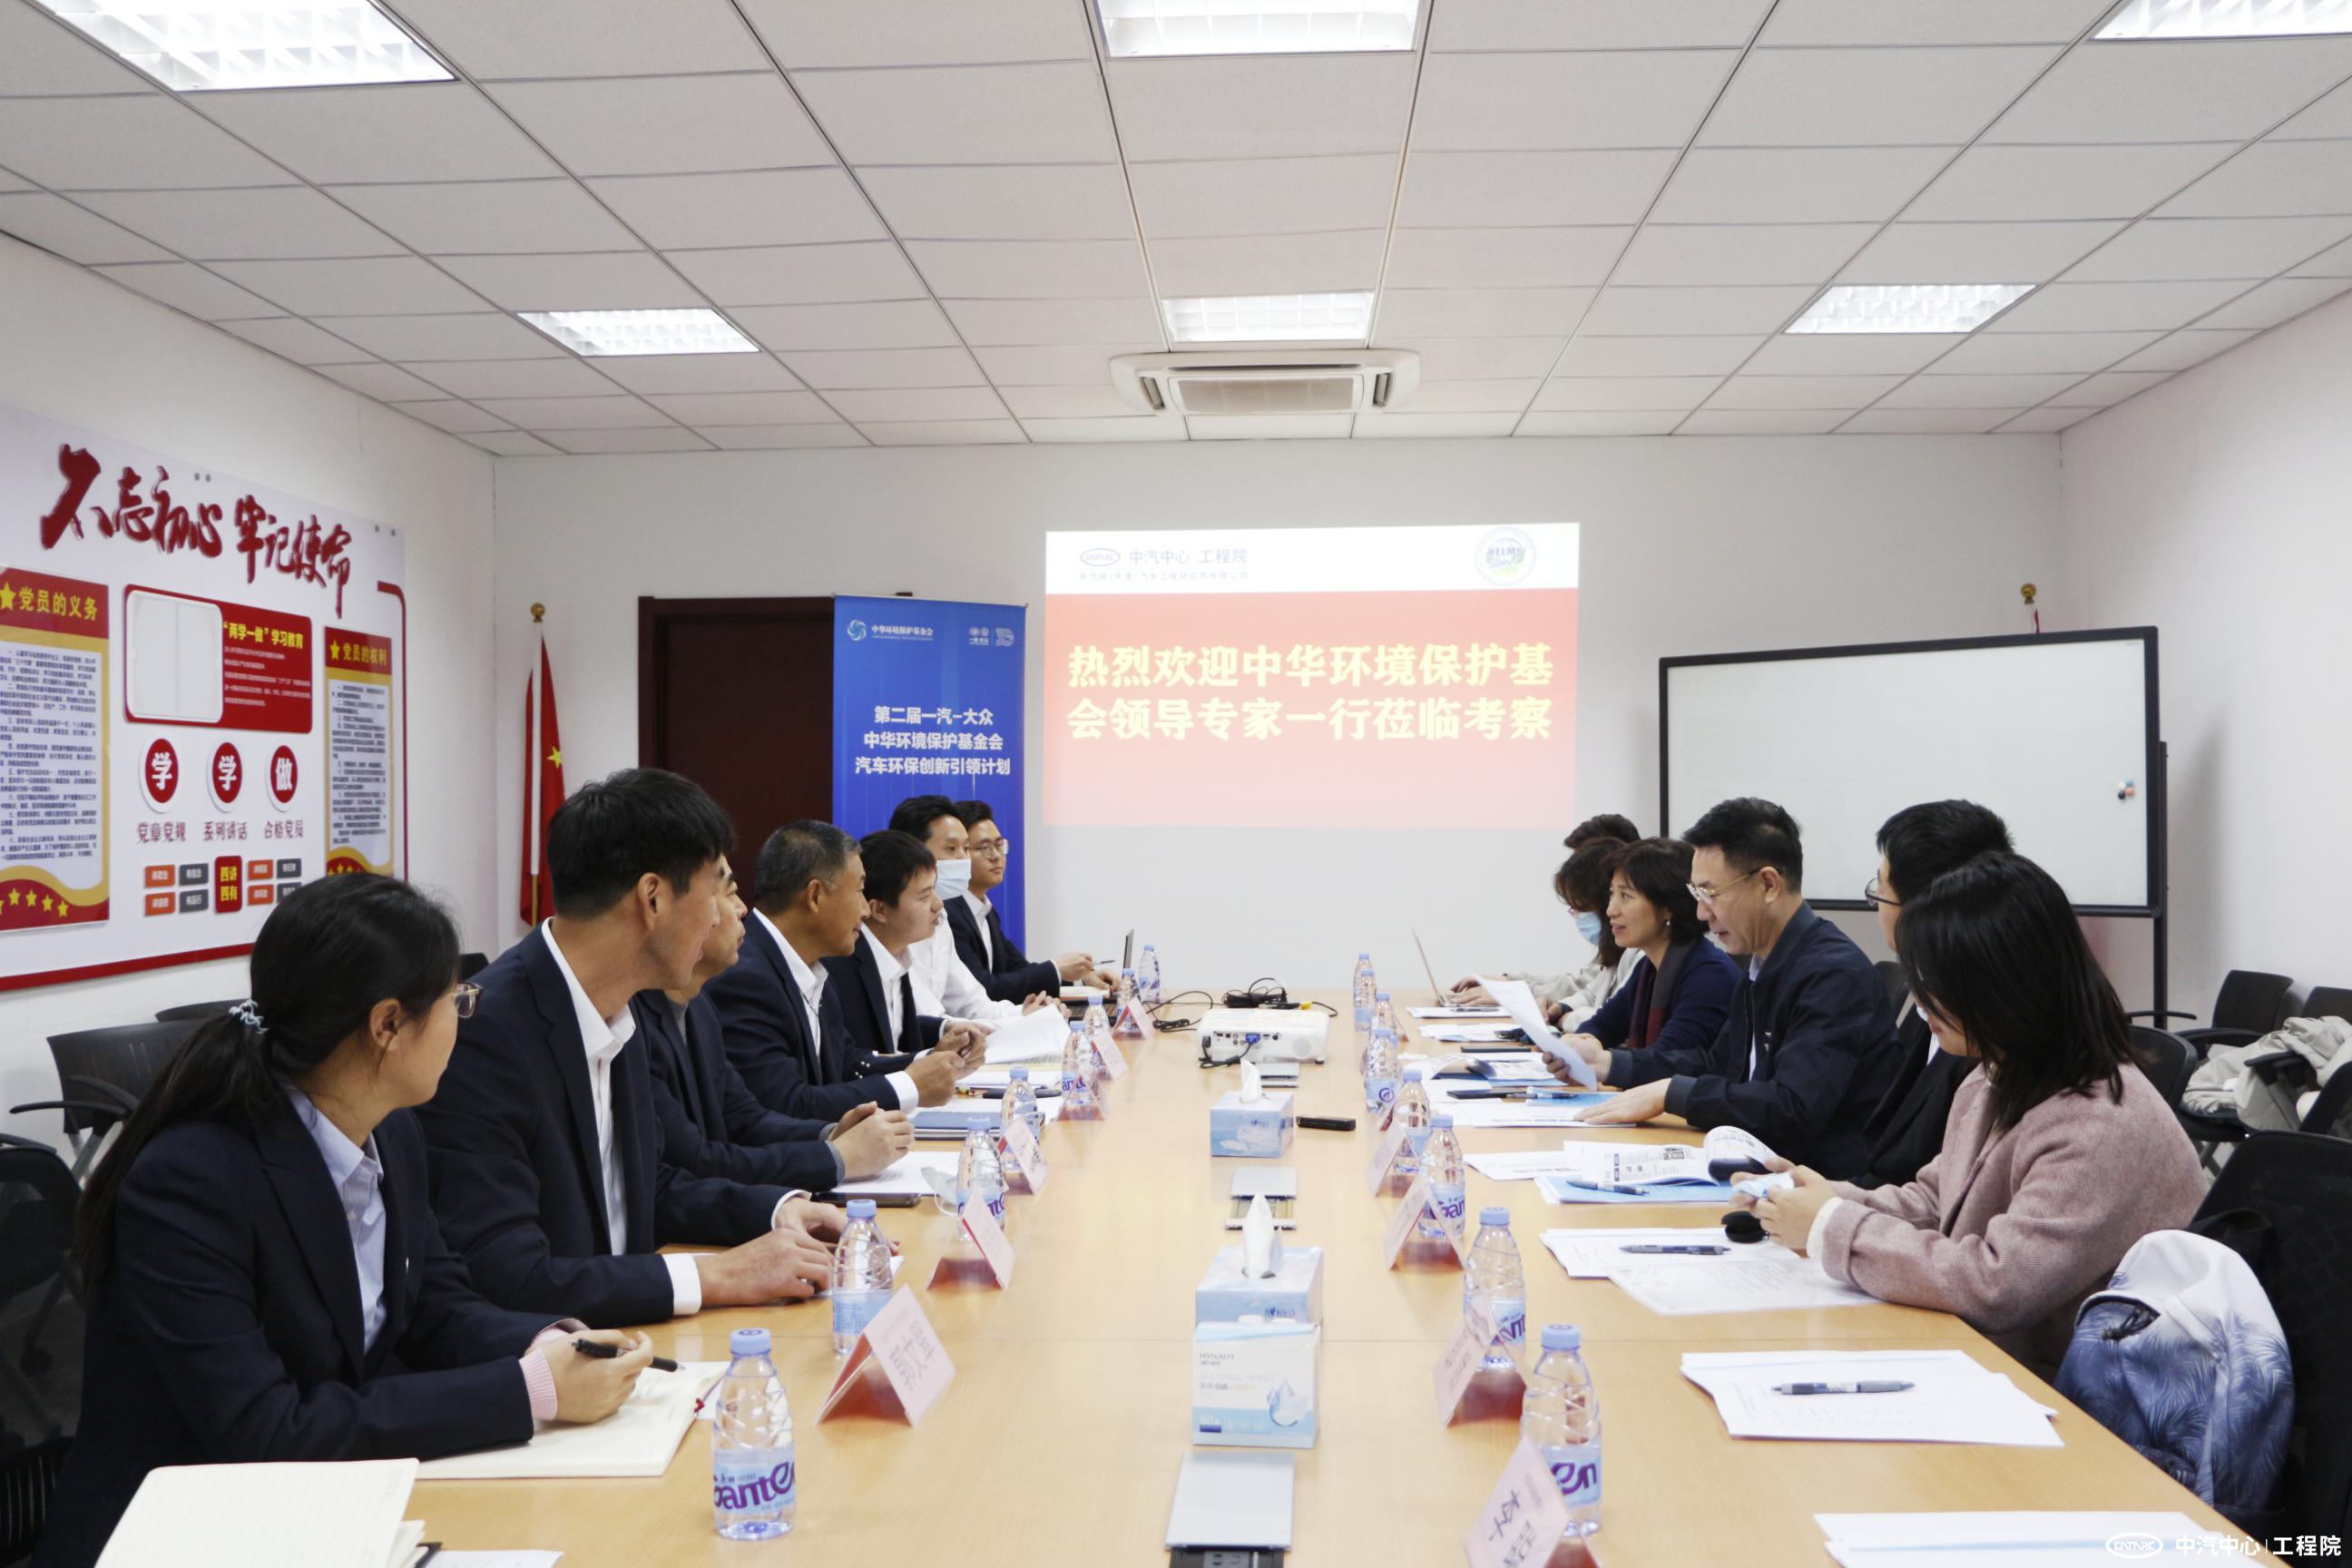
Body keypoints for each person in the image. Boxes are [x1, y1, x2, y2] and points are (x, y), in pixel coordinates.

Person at [36, 877, 652, 1568]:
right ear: (388, 1025)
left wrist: (549, 1343)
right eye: (455, 1002)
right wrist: (530, 1389)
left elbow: (436, 1309)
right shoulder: (192, 1181)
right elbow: (267, 1432)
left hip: (325, 1510)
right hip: (182, 1534)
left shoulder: (391, 1131)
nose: (463, 1019)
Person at [1741, 850, 2208, 1374]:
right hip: (1999, 1363)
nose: (1921, 1001)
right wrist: (1821, 1198)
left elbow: (1997, 1284)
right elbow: (1936, 1200)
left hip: (2081, 1397)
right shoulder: (1995, 1075)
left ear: (2000, 985)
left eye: (1936, 982)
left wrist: (1832, 1226)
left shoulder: (2099, 1124)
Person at [419, 769, 846, 1327]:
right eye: (713, 890)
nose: (720, 915)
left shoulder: (622, 1006)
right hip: (565, 1355)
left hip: (639, 1335)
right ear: (653, 898)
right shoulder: (488, 1033)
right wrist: (712, 1276)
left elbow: (648, 1187)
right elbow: (508, 1274)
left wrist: (777, 1210)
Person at [1567, 798, 1900, 1181]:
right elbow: (1719, 1064)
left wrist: (1672, 1093)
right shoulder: (1761, 964)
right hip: (1760, 1168)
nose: (1701, 912)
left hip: (1814, 1184)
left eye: (1710, 893)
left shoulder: (1831, 973)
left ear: (1768, 884)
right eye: (1696, 894)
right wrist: (1609, 1064)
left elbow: (1792, 1106)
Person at [631, 856, 913, 1192]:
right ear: (657, 902)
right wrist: (836, 1156)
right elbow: (693, 1161)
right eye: (728, 893)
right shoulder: (644, 1018)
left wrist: (831, 1134)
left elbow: (745, 1117)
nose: (742, 909)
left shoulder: (700, 1007)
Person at [703, 818, 983, 1122]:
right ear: (815, 896)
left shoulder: (814, 966)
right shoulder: (745, 978)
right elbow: (787, 1103)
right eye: (860, 891)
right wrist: (910, 1085)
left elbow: (848, 1063)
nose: (864, 909)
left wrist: (931, 1059)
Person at [1854, 800, 2014, 1189]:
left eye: (1881, 891)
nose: (1877, 906)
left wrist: (1832, 1210)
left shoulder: (1987, 1028)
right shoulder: (1934, 991)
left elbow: (1942, 1196)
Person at [1547, 838, 1740, 1080]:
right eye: (1612, 894)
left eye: (1626, 896)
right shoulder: (1648, 968)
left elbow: (1666, 1064)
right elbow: (1602, 1025)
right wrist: (1584, 1044)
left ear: (1668, 907)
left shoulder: (1709, 976)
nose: (1611, 910)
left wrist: (1600, 1061)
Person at [915, 795, 1107, 1002]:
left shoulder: (985, 910)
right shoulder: (946, 913)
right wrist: (1057, 969)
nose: (996, 856)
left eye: (999, 845)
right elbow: (986, 988)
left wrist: (1080, 978)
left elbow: (1018, 969)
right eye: (984, 847)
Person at [1453, 813, 1641, 1024]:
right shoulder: (1619, 951)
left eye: (1623, 895)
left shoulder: (1642, 955)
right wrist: (1558, 1008)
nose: (1612, 910)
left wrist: (1559, 1014)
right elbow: (1589, 992)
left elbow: (1612, 1019)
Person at [894, 799, 1060, 1025]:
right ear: (913, 851)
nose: (964, 859)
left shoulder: (941, 920)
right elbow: (925, 1019)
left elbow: (972, 1003)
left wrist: (1025, 1015)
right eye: (951, 849)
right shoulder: (897, 923)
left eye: (966, 848)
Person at [827, 830, 960, 1062]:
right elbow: (851, 1058)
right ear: (879, 910)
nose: (938, 904)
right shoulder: (843, 964)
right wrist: (926, 1059)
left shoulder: (896, 950)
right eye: (924, 896)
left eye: (935, 890)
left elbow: (893, 1029)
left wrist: (945, 1029)